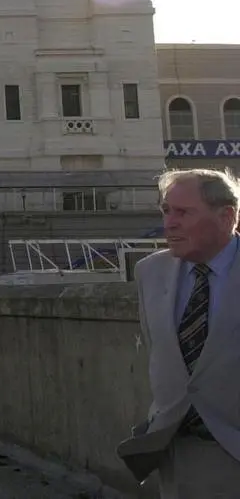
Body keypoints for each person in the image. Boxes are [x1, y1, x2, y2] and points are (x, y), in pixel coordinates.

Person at [117, 168, 240, 496]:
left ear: (226, 216)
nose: (169, 223)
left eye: (183, 212)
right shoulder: (149, 272)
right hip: (174, 455)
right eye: (166, 211)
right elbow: (160, 354)